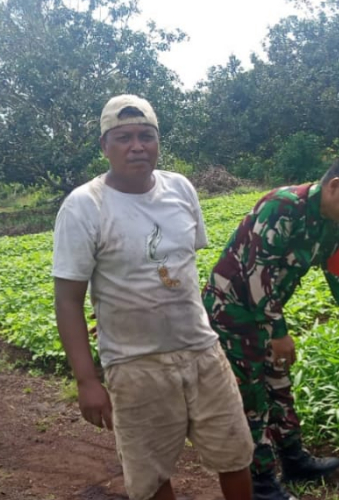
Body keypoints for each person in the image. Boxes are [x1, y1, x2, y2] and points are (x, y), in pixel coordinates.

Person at [52, 94, 253, 500]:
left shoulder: (180, 188)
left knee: (235, 454)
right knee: (150, 474)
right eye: (123, 137)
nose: (137, 146)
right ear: (104, 146)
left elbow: (183, 274)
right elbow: (68, 299)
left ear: (158, 141)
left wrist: (215, 351)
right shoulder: (84, 206)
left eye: (147, 135)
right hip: (135, 363)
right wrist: (87, 380)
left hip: (201, 352)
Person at [202, 153, 339, 500]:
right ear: (335, 186)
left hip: (266, 313)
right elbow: (255, 272)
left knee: (280, 385)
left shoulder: (332, 227)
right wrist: (278, 331)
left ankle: (293, 460)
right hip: (232, 312)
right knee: (253, 398)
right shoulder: (281, 207)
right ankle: (260, 483)